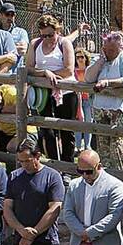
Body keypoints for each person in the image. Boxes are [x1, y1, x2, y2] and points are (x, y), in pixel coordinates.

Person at [86, 29, 123, 173]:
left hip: (120, 112)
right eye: (105, 48)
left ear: (120, 47)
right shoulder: (101, 58)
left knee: (118, 150)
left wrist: (107, 83)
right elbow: (88, 78)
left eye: (111, 50)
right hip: (100, 111)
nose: (108, 52)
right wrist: (100, 61)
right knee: (103, 150)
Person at [29, 14, 78, 162]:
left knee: (66, 130)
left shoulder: (64, 44)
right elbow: (29, 68)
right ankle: (53, 163)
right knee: (47, 130)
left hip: (66, 92)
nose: (47, 39)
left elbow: (68, 70)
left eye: (50, 35)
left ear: (57, 31)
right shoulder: (35, 44)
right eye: (43, 36)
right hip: (43, 93)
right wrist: (44, 73)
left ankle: (67, 166)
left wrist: (52, 75)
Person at [72, 46, 93, 150]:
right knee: (78, 122)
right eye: (77, 57)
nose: (79, 59)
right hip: (77, 100)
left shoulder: (89, 70)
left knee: (88, 122)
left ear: (86, 58)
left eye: (81, 57)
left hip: (88, 99)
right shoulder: (73, 71)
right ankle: (78, 146)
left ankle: (87, 146)